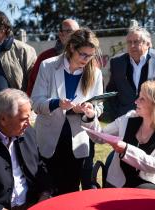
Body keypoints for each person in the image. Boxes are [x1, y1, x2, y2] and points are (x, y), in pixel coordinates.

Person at [31, 28, 103, 195]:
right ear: (71, 48)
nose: (87, 60)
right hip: (48, 142)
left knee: (69, 192)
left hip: (77, 143)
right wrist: (57, 103)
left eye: (90, 55)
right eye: (83, 54)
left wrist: (89, 111)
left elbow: (98, 107)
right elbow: (36, 102)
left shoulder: (96, 73)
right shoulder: (48, 66)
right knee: (45, 192)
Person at [82, 80, 155, 192]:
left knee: (141, 194)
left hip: (149, 184)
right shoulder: (128, 119)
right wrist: (90, 117)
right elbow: (99, 137)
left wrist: (126, 149)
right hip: (117, 184)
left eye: (142, 99)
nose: (136, 101)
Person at [105, 26, 155, 121]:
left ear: (148, 43)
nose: (132, 46)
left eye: (136, 42)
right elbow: (111, 90)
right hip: (126, 118)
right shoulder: (117, 62)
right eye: (129, 42)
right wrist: (116, 111)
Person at [27, 19, 79, 96]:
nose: (76, 36)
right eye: (70, 31)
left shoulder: (87, 57)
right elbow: (33, 87)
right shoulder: (45, 58)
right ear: (61, 34)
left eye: (78, 32)